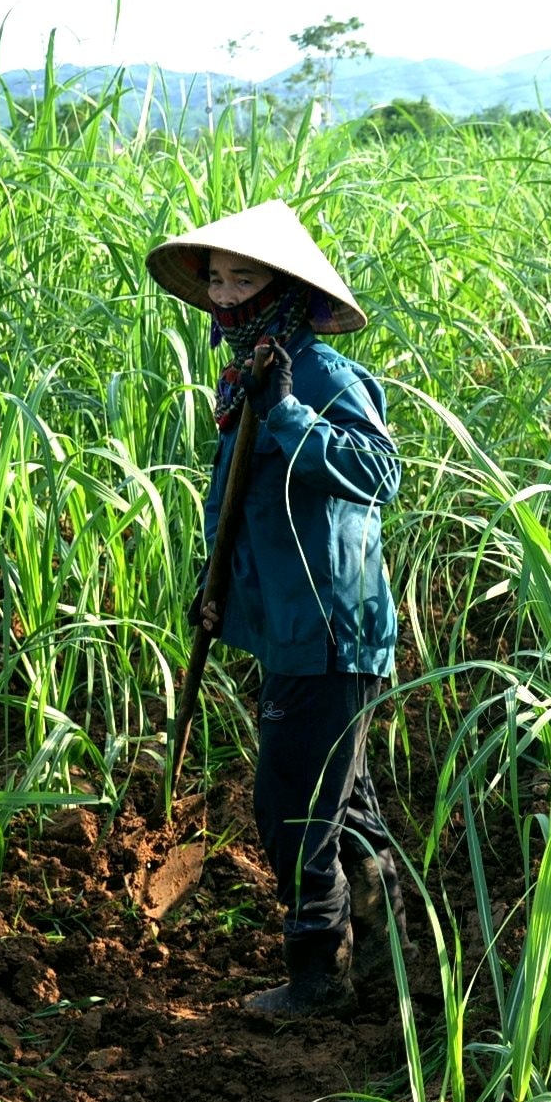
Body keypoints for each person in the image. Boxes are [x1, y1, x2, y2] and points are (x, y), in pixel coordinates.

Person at [146, 200, 408, 1022]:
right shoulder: (247, 372)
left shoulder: (316, 373)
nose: (224, 295)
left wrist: (289, 410)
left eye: (243, 278)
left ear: (284, 288)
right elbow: (245, 508)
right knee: (341, 800)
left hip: (331, 630)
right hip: (296, 623)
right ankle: (399, 953)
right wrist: (219, 589)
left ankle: (319, 975)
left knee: (292, 807)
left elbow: (379, 474)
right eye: (217, 279)